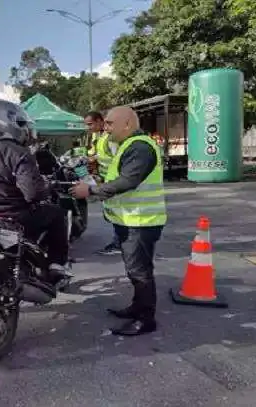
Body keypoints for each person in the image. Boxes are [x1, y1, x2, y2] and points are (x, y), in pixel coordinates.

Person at [71, 106, 166, 336]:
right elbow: (116, 177)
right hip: (130, 220)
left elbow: (128, 181)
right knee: (134, 269)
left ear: (127, 124)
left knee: (140, 272)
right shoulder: (126, 146)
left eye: (111, 123)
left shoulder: (141, 147)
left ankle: (146, 319)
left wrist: (91, 191)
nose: (106, 127)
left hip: (141, 221)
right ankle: (137, 307)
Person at [0, 99, 72, 283]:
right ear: (6, 121)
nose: (23, 129)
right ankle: (56, 264)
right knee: (57, 214)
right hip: (12, 216)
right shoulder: (15, 151)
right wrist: (47, 188)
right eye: (20, 124)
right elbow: (33, 193)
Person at [84, 111, 122, 255]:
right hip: (105, 178)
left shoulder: (110, 137)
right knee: (111, 212)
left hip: (114, 180)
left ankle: (119, 243)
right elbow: (95, 153)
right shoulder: (96, 136)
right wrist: (91, 159)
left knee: (116, 213)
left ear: (100, 121)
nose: (88, 127)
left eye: (90, 124)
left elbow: (119, 157)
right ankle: (120, 241)